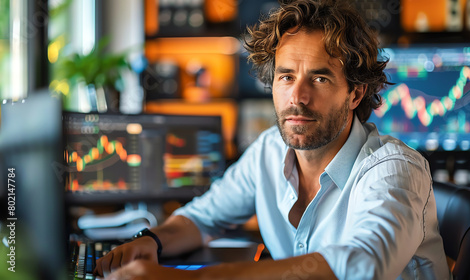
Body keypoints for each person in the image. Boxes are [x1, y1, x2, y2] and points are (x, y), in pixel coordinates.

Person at [96, 0, 451, 279]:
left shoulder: (393, 170)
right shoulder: (269, 151)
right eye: (285, 77)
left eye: (320, 78)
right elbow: (204, 218)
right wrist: (150, 241)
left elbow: (362, 265)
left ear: (355, 93)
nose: (297, 97)